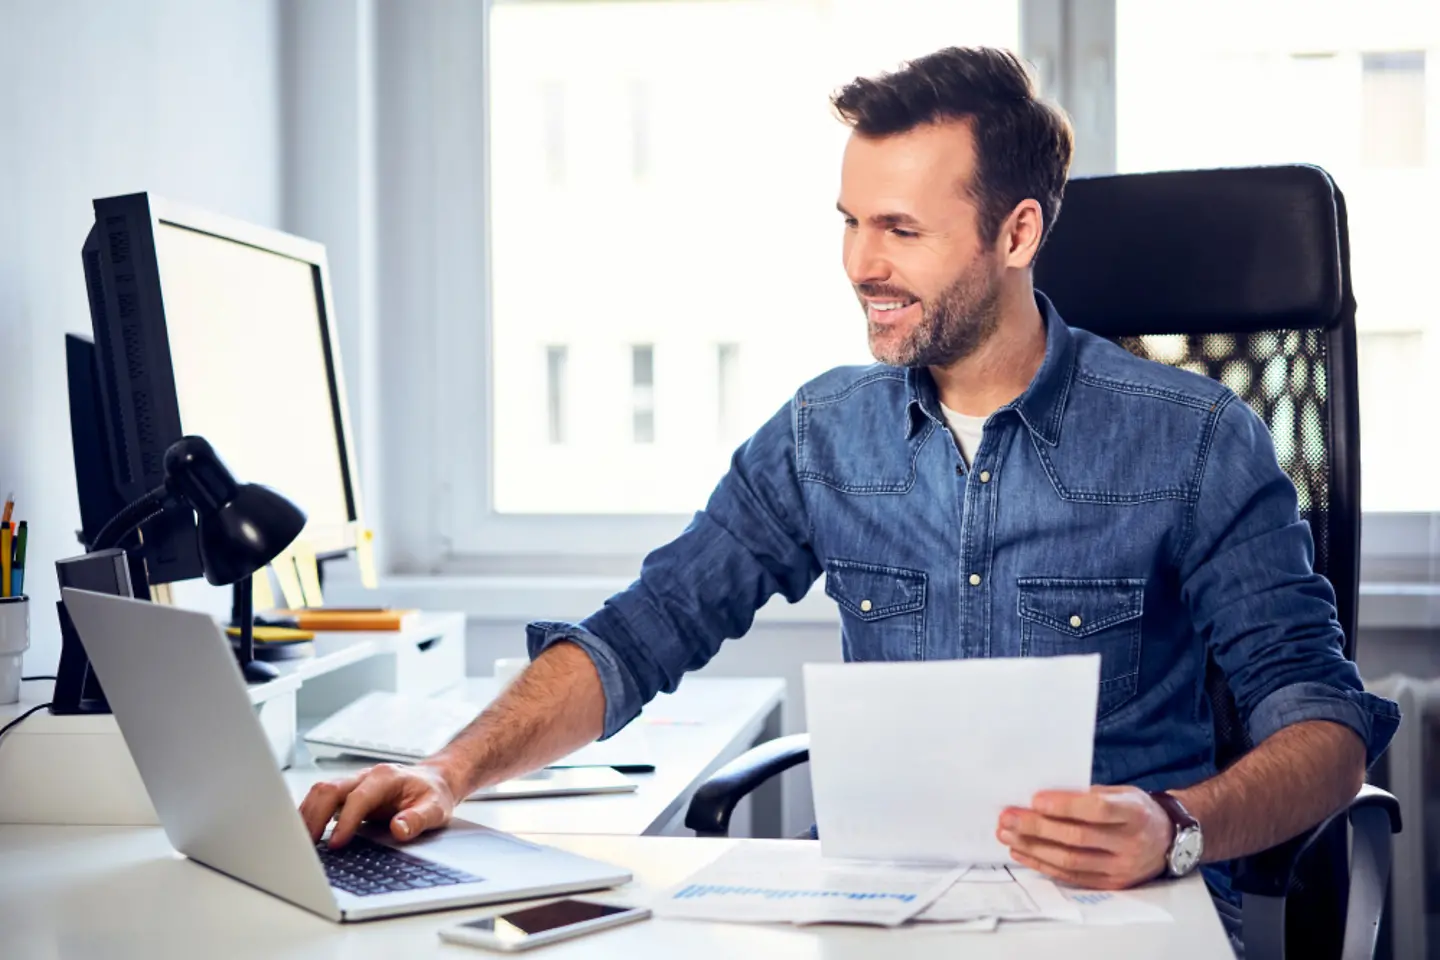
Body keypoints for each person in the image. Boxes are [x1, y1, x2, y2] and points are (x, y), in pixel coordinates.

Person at [300, 46, 1398, 948]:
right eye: (850, 220)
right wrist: (450, 768)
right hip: (880, 913)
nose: (859, 263)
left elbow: (1326, 723)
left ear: (1017, 233)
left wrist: (1178, 825)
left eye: (901, 231)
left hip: (1118, 915)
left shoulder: (1195, 439)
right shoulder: (824, 433)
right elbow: (647, 628)